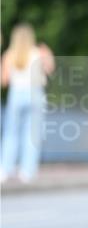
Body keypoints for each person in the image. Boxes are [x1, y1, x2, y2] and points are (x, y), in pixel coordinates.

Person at [1, 23, 55, 183]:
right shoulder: (39, 52)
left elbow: (4, 81)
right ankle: (27, 172)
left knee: (10, 133)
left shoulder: (9, 54)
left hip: (16, 94)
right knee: (31, 135)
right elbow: (50, 70)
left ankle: (5, 169)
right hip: (35, 93)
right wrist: (49, 56)